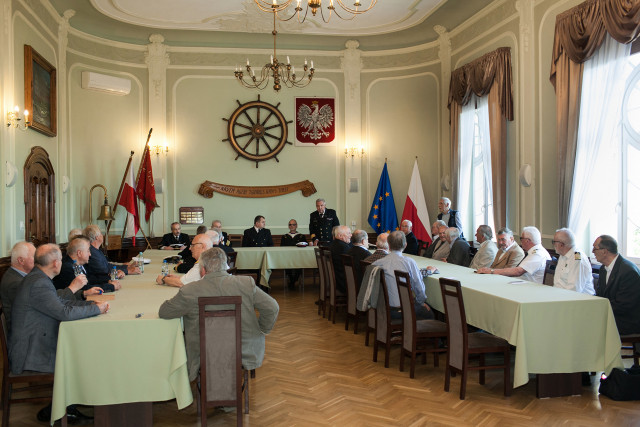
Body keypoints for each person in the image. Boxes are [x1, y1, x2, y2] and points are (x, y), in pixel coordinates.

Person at [9, 244, 108, 424]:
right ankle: (64, 409)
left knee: (80, 352)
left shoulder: (38, 277)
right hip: (30, 353)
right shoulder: (39, 283)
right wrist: (96, 310)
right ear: (55, 263)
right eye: (61, 261)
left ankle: (66, 406)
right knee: (80, 357)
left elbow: (59, 303)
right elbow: (64, 313)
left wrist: (90, 305)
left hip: (37, 341)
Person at [158, 247, 279, 382]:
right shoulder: (246, 284)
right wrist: (261, 330)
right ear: (225, 266)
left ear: (202, 270)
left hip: (204, 353)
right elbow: (272, 307)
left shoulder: (190, 290)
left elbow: (164, 312)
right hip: (243, 350)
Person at [372, 231, 433, 320]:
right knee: (430, 313)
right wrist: (420, 302)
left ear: (388, 245)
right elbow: (419, 288)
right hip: (403, 310)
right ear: (405, 245)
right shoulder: (409, 262)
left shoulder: (377, 263)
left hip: (383, 308)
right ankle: (412, 332)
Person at [593, 235, 640, 336]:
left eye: (595, 248)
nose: (593, 251)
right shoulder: (603, 269)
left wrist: (598, 310)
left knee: (589, 324)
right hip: (612, 315)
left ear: (604, 251)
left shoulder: (628, 271)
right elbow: (601, 296)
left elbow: (624, 305)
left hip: (627, 320)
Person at [477, 226, 550, 283]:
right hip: (522, 284)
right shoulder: (533, 252)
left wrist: (491, 271)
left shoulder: (537, 254)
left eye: (522, 238)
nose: (520, 241)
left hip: (530, 288)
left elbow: (518, 271)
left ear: (527, 241)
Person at [53, 236, 120, 294]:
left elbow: (91, 279)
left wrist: (108, 279)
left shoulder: (80, 264)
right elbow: (84, 289)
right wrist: (110, 287)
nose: (90, 254)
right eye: (88, 251)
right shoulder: (68, 268)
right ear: (79, 253)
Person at [0, 241, 35, 331]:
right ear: (21, 260)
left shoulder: (18, 275)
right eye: (34, 256)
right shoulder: (15, 283)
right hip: (23, 334)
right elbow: (33, 310)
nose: (37, 260)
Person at [552, 228, 594, 295]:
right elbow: (557, 282)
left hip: (580, 300)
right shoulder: (563, 255)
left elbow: (574, 289)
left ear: (561, 244)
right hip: (561, 295)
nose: (553, 245)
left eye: (554, 242)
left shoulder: (577, 258)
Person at [280, 219, 307, 288]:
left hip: (299, 258)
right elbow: (281, 248)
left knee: (300, 266)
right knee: (287, 266)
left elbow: (305, 247)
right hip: (287, 258)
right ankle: (292, 281)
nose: (292, 226)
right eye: (290, 224)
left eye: (293, 224)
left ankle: (293, 281)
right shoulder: (284, 237)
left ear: (296, 225)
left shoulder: (301, 236)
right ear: (288, 226)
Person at [328, 226, 352, 294]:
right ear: (340, 235)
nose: (351, 235)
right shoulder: (343, 247)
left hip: (337, 279)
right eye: (348, 233)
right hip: (343, 282)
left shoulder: (333, 244)